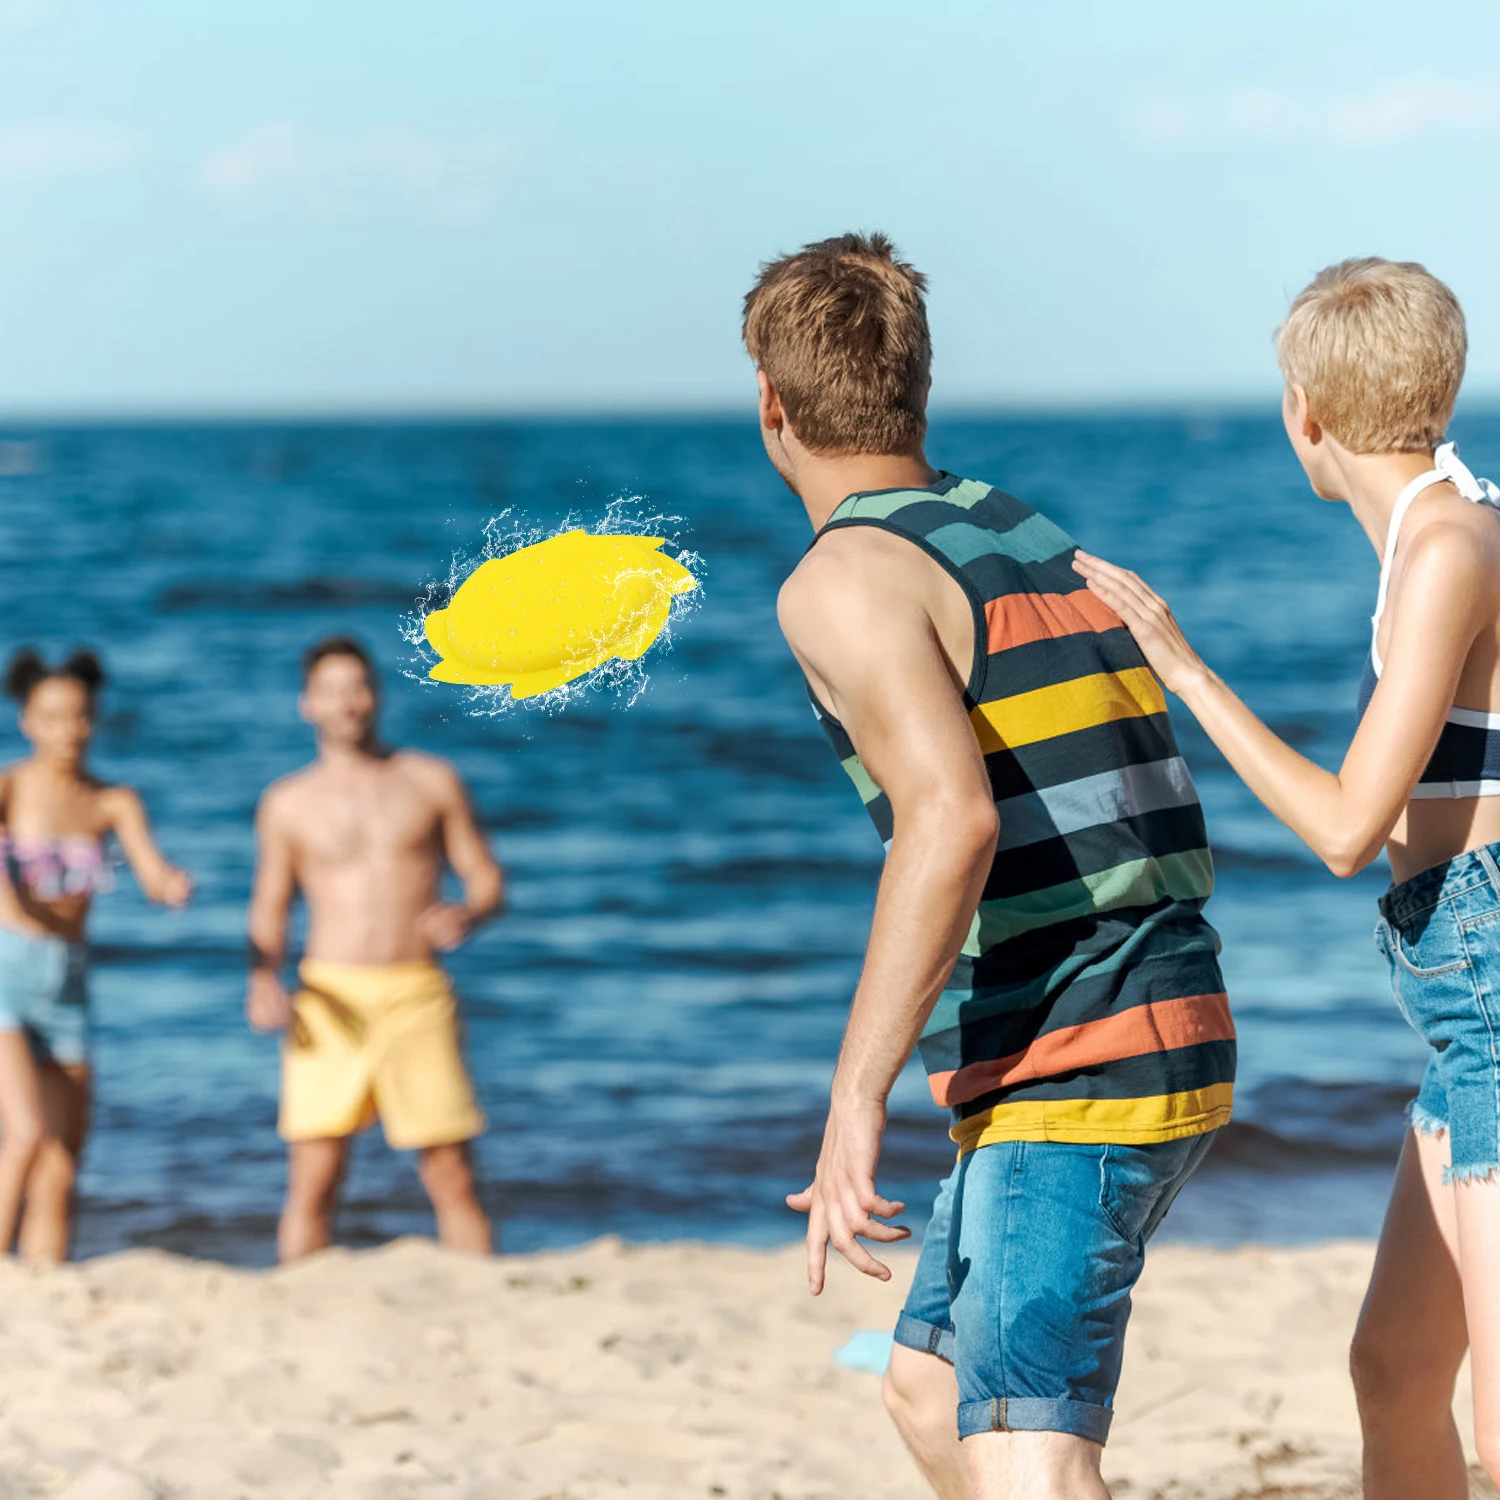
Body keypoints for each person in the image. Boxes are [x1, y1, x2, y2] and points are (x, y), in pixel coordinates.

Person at [743, 233, 1233, 1500]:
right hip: (1143, 1015)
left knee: (1026, 1451)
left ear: (773, 408)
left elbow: (949, 822)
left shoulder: (842, 576)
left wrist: (856, 1098)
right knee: (925, 1389)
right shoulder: (1011, 522)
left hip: (1082, 1053)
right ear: (914, 384)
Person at [1073, 258, 1500, 1499]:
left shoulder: (1445, 548)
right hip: (1462, 995)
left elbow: (1346, 827)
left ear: (1302, 415)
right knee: (1395, 1370)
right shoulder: (1447, 523)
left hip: (1489, 980)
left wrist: (1184, 666)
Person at [246, 634, 503, 1262]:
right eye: (332, 691)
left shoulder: (431, 781)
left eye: (358, 688)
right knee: (315, 1173)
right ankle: (296, 1304)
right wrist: (262, 979)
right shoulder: (287, 802)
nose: (348, 704)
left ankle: (480, 1296)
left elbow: (486, 877)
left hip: (415, 991)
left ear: (376, 695)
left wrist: (468, 910)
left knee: (448, 1170)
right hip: (327, 996)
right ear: (308, 704)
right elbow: (272, 903)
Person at [0, 648, 191, 1262]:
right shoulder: (8, 788)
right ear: (26, 720)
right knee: (25, 1134)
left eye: (79, 716)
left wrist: (171, 887)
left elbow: (152, 871)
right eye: (51, 717)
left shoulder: (114, 801)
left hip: (69, 984)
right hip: (6, 972)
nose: (68, 731)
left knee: (60, 1163)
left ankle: (41, 1287)